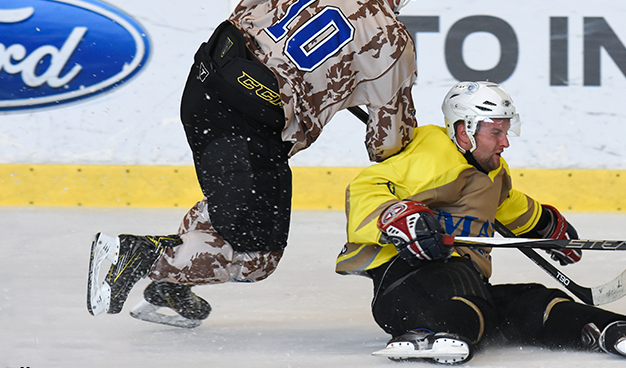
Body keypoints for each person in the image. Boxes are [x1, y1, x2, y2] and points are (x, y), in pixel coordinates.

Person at [86, 0, 418, 328]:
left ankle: (173, 283)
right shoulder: (390, 37)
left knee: (232, 204)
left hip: (205, 85)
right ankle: (141, 256)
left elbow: (245, 16)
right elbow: (387, 143)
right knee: (254, 256)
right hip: (246, 122)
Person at [336, 81, 626, 364]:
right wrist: (395, 216)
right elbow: (366, 188)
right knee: (462, 283)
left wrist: (543, 224)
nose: (505, 142)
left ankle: (611, 329)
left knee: (530, 301)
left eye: (505, 131)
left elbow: (505, 204)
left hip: (462, 286)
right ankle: (430, 334)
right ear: (464, 130)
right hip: (404, 288)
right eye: (495, 132)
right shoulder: (433, 156)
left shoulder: (491, 169)